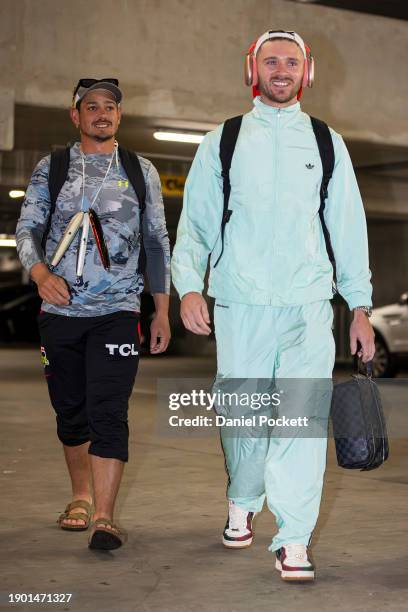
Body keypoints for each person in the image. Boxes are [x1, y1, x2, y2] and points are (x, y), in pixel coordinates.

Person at [171, 30, 375, 581]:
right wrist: (189, 284)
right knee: (244, 419)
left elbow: (348, 230)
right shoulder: (225, 140)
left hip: (308, 306)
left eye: (291, 62)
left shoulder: (327, 142)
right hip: (240, 303)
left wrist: (359, 306)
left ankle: (294, 539)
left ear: (306, 73)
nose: (280, 70)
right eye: (270, 61)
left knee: (301, 422)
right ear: (251, 70)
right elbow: (196, 224)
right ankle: (243, 496)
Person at [16, 78, 171, 550]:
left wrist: (160, 309)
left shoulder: (140, 170)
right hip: (59, 312)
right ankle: (79, 497)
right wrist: (41, 274)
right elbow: (28, 227)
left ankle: (104, 516)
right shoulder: (53, 167)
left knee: (109, 409)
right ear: (75, 115)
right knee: (71, 412)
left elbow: (156, 242)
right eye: (91, 106)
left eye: (110, 107)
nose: (101, 114)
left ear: (120, 116)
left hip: (119, 311)